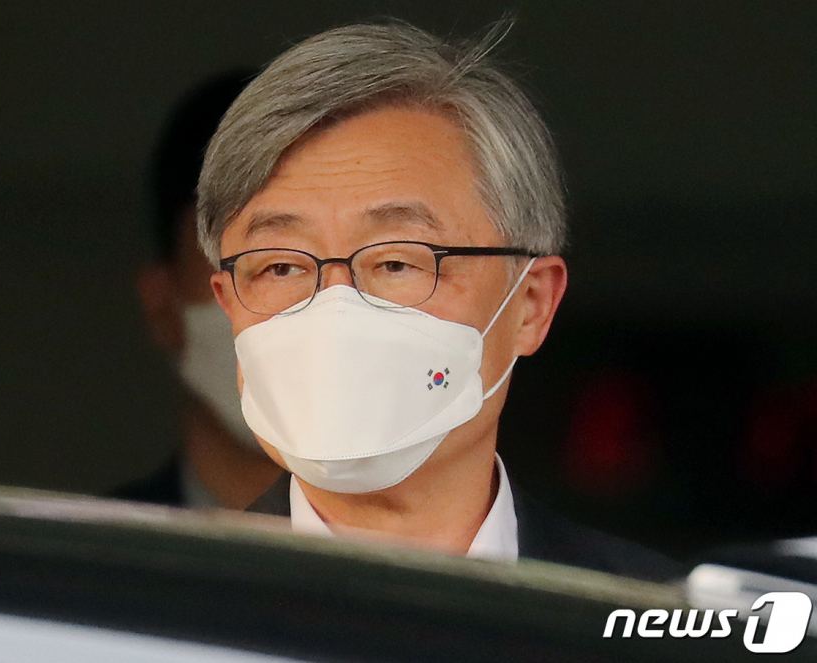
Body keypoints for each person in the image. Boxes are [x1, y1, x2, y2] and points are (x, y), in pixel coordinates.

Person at [196, 22, 681, 580]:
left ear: (531, 303)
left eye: (397, 262)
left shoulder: (665, 616)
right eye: (281, 267)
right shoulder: (150, 615)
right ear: (228, 305)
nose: (335, 309)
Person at [110, 71, 283, 510]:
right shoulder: (86, 551)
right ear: (161, 306)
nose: (278, 301)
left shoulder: (443, 544)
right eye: (231, 250)